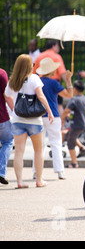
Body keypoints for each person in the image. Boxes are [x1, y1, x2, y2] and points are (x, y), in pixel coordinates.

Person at [4, 54, 54, 189]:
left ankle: (19, 182)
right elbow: (41, 96)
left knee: (19, 151)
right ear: (29, 66)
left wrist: (14, 108)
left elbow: (7, 95)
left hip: (18, 119)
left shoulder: (12, 81)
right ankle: (39, 180)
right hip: (34, 120)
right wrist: (49, 111)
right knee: (38, 150)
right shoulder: (34, 79)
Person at [36, 57, 73, 179]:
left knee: (38, 146)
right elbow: (69, 94)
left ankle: (36, 172)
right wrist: (68, 80)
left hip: (38, 115)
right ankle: (60, 171)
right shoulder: (54, 83)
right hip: (53, 116)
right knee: (56, 143)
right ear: (52, 71)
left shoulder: (37, 81)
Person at [33, 40, 67, 115]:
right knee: (59, 104)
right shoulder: (57, 56)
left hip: (41, 82)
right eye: (58, 46)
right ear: (53, 46)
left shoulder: (40, 56)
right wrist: (68, 84)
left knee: (42, 102)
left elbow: (34, 72)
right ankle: (61, 124)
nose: (58, 48)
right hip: (54, 83)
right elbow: (62, 72)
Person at [60, 80, 85, 168]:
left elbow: (66, 110)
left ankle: (74, 163)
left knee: (70, 142)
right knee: (70, 135)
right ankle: (82, 148)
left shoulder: (74, 99)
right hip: (83, 123)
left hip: (76, 124)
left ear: (75, 89)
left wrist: (62, 117)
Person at [0, 67, 13, 185]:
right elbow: (7, 95)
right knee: (8, 142)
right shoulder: (2, 73)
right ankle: (1, 171)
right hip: (1, 117)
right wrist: (15, 110)